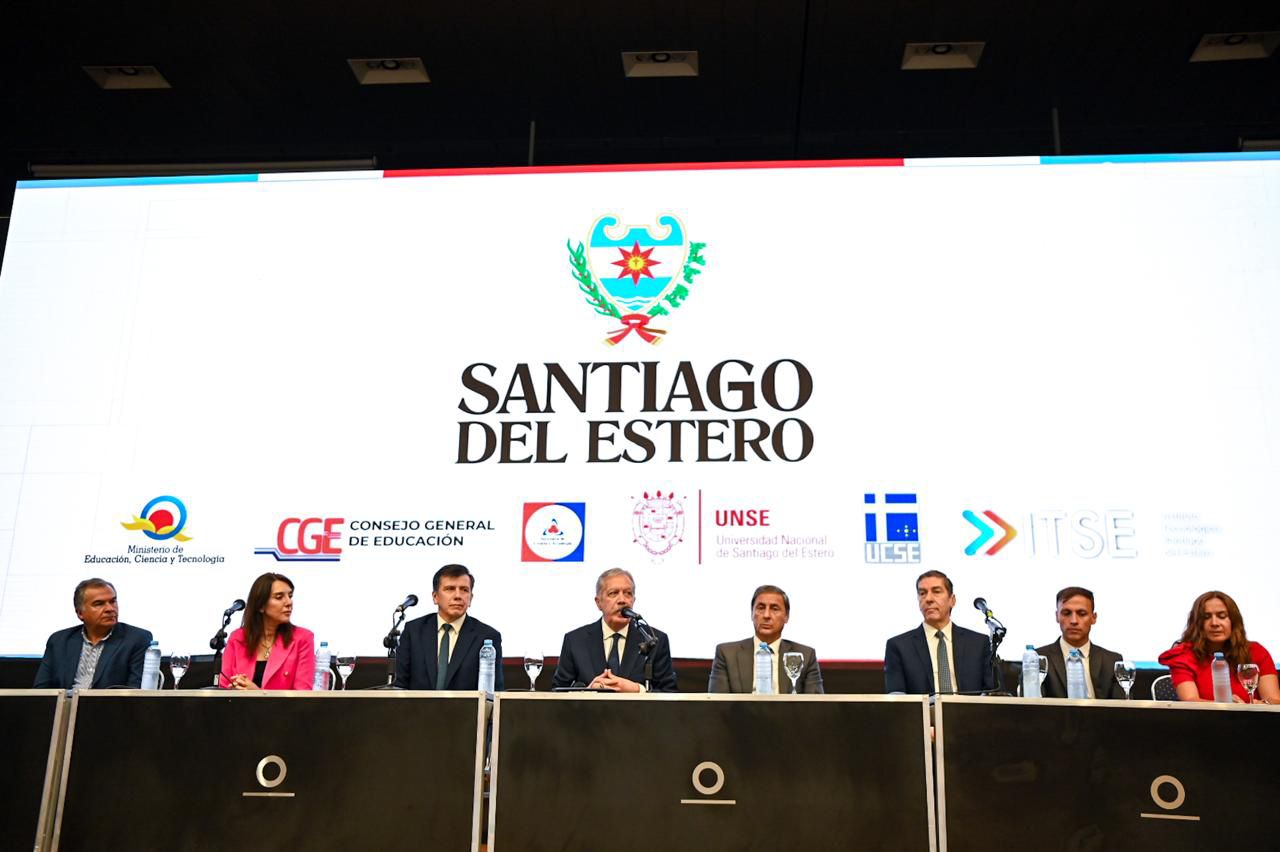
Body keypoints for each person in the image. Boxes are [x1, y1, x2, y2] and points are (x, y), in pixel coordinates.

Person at [552, 567, 678, 692]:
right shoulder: (575, 640)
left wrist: (637, 690)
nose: (622, 600)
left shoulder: (654, 640)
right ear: (598, 602)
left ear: (633, 600)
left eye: (628, 593)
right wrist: (588, 691)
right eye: (613, 593)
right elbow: (557, 692)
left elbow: (669, 692)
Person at [394, 564, 504, 690]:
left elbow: (495, 690)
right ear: (435, 597)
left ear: (470, 598)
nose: (458, 596)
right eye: (450, 589)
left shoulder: (486, 636)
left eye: (464, 590)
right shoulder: (414, 631)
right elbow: (400, 685)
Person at [1157, 590, 1279, 704]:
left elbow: (1274, 699)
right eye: (1206, 617)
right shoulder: (1182, 656)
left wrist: (1262, 704)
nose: (1214, 623)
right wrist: (1233, 708)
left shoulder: (1256, 652)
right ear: (1197, 623)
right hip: (1204, 719)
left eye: (1222, 616)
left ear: (1233, 621)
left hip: (1254, 719)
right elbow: (1191, 701)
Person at [884, 570, 994, 694]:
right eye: (922, 593)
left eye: (936, 591)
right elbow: (896, 696)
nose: (928, 599)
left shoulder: (978, 644)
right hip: (923, 707)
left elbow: (993, 694)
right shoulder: (899, 646)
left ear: (952, 600)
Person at [34, 578, 153, 689]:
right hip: (66, 703)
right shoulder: (59, 641)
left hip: (111, 704)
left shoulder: (137, 639)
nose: (110, 609)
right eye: (99, 604)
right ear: (80, 613)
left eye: (112, 601)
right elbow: (41, 691)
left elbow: (135, 693)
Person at [709, 584, 823, 694]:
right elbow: (717, 703)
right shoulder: (727, 654)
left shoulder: (805, 655)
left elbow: (815, 703)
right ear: (752, 613)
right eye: (761, 608)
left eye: (774, 609)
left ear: (786, 616)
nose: (766, 615)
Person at [221, 573, 315, 690]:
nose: (289, 602)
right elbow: (224, 688)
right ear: (261, 606)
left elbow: (302, 695)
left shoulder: (303, 638)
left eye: (290, 596)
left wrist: (257, 694)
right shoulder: (237, 637)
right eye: (279, 597)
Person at [1036, 586, 1126, 699]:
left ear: (1093, 618)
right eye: (1066, 613)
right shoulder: (1037, 659)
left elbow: (1122, 707)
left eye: (1082, 613)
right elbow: (1031, 707)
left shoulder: (1111, 661)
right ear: (1057, 616)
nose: (1074, 621)